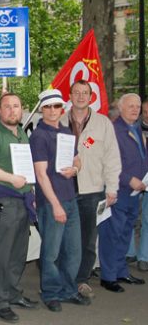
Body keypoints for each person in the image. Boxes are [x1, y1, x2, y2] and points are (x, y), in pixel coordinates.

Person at [0, 93, 38, 323]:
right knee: (2, 255)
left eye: (16, 106)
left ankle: (13, 293)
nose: (13, 110)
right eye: (7, 107)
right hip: (4, 201)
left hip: (22, 202)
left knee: (18, 253)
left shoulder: (22, 134)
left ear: (22, 109)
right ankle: (0, 302)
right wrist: (12, 179)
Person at [60, 80, 121, 297]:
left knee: (87, 240)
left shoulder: (103, 123)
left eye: (85, 93)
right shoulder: (58, 121)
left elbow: (112, 158)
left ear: (91, 96)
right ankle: (62, 279)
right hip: (64, 190)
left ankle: (81, 280)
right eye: (76, 92)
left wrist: (112, 187)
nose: (81, 96)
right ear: (70, 95)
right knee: (63, 239)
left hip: (92, 190)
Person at [29, 89, 87, 312]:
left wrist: (75, 168)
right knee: (51, 252)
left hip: (71, 198)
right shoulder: (39, 136)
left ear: (62, 108)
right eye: (48, 107)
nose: (53, 111)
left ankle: (68, 290)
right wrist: (55, 205)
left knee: (73, 251)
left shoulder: (66, 132)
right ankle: (51, 292)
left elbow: (77, 158)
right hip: (52, 202)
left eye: (56, 106)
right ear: (42, 109)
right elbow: (40, 174)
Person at [98, 93, 147, 292]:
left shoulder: (136, 129)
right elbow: (106, 161)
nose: (135, 110)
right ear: (121, 108)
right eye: (131, 106)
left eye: (137, 106)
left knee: (125, 234)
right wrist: (128, 179)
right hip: (118, 190)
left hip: (135, 193)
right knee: (112, 233)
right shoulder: (113, 129)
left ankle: (121, 271)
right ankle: (108, 276)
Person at [126, 98, 148, 271]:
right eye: (145, 112)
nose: (147, 115)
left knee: (147, 219)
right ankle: (130, 252)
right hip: (135, 179)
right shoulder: (133, 128)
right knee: (131, 217)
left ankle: (144, 257)